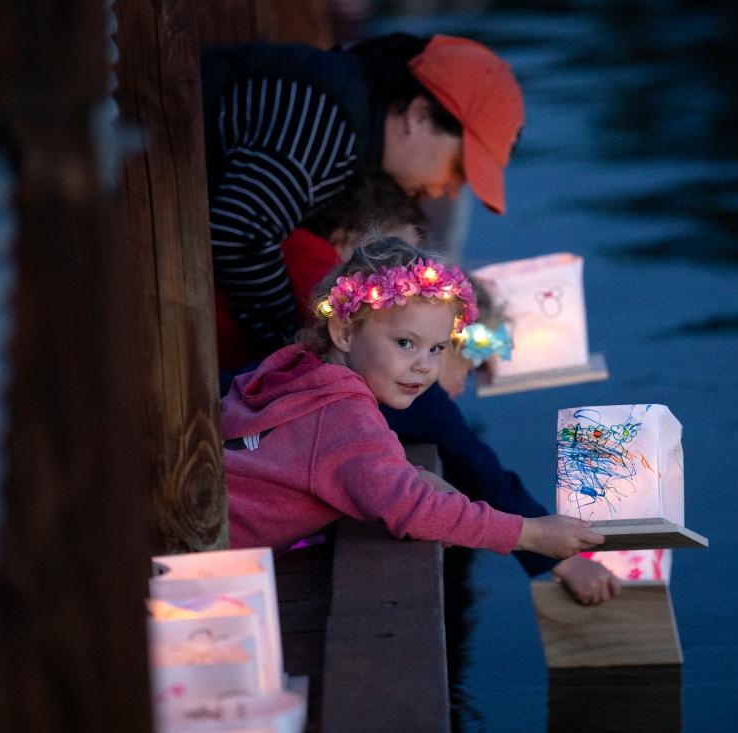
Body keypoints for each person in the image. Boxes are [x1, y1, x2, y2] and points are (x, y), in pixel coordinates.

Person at [221, 238, 602, 562]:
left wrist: (413, 476)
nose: (423, 366)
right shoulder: (343, 415)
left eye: (437, 349)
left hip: (196, 522)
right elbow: (413, 510)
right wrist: (531, 534)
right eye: (405, 343)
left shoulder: (301, 370)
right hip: (202, 552)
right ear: (344, 333)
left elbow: (337, 461)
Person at [202, 32, 524, 362]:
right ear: (419, 116)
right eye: (458, 168)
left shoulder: (348, 109)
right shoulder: (326, 127)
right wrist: (299, 352)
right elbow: (238, 234)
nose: (450, 190)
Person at [381, 279, 622, 605]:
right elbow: (481, 470)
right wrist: (564, 560)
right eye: (467, 371)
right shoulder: (427, 400)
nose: (463, 388)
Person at [214, 169, 426, 380]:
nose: (395, 273)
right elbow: (322, 312)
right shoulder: (315, 255)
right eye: (386, 251)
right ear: (346, 235)